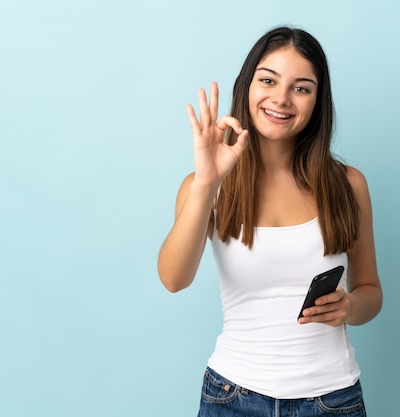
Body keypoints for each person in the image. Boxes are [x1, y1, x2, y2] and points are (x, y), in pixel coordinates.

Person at [157, 26, 382, 417]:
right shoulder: (205, 185)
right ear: (248, 84)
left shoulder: (348, 185)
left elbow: (370, 291)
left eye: (301, 88)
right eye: (268, 80)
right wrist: (208, 182)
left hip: (333, 400)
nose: (281, 98)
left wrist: (350, 306)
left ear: (317, 101)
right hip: (232, 397)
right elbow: (174, 279)